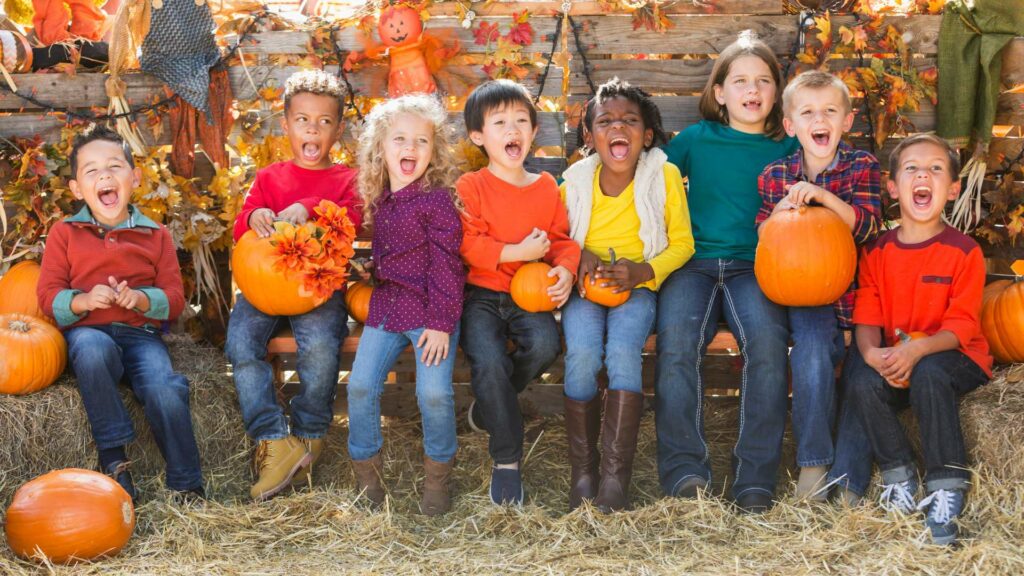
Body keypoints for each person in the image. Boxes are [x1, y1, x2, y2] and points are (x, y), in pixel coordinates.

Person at [657, 31, 799, 513]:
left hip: (754, 267)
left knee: (767, 346)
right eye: (739, 81)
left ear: (777, 93)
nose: (752, 90)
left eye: (763, 80)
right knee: (676, 346)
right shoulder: (696, 138)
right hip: (692, 264)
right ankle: (685, 470)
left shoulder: (787, 146)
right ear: (719, 92)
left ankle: (755, 476)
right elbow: (652, 186)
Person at [36, 126, 204, 503]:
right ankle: (115, 461)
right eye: (91, 171)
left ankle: (187, 482)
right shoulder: (64, 233)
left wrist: (142, 300)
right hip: (89, 334)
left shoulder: (155, 234)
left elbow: (175, 298)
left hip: (141, 337)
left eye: (114, 167)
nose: (105, 177)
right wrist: (81, 301)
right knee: (92, 351)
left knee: (165, 388)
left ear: (135, 177)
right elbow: (47, 296)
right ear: (78, 188)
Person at [842, 134, 991, 546]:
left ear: (953, 189)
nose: (923, 174)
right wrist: (873, 356)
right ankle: (899, 474)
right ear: (893, 187)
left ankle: (947, 484)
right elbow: (868, 319)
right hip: (902, 357)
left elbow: (961, 326)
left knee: (928, 373)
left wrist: (917, 349)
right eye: (911, 168)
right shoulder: (876, 252)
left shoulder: (963, 251)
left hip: (955, 357)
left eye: (936, 169)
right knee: (861, 381)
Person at [225, 69, 362, 502]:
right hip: (264, 287)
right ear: (286, 125)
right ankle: (272, 438)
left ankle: (309, 432)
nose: (312, 129)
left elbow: (353, 219)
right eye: (302, 119)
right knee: (241, 344)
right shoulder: (268, 177)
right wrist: (254, 218)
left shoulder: (344, 180)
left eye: (324, 121)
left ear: (337, 129)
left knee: (321, 347)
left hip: (317, 289)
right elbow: (238, 228)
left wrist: (309, 207)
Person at [559, 78, 694, 512]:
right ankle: (584, 471)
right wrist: (577, 256)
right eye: (606, 121)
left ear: (647, 134)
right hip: (586, 289)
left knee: (621, 354)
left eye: (630, 121)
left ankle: (616, 478)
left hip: (637, 289)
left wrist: (642, 271)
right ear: (590, 135)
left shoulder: (663, 175)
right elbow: (558, 236)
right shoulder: (575, 181)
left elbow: (683, 244)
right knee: (581, 356)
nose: (618, 128)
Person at [755, 70, 882, 500]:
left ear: (846, 121)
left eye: (830, 110)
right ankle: (813, 463)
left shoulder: (861, 166)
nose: (819, 119)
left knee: (863, 379)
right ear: (791, 125)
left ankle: (849, 478)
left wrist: (822, 197)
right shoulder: (776, 175)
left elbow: (866, 227)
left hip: (857, 297)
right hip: (806, 297)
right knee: (809, 353)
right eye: (807, 112)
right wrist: (781, 215)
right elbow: (766, 241)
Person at [457, 79, 581, 505]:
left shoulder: (546, 186)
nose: (513, 130)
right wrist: (516, 251)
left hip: (530, 297)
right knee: (488, 360)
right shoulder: (471, 186)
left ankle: (493, 404)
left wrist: (564, 270)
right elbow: (468, 244)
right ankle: (507, 461)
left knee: (547, 344)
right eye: (500, 122)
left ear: (532, 132)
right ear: (478, 136)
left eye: (521, 121)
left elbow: (561, 240)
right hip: (482, 295)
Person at [346, 94, 464, 516]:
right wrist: (369, 269)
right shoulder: (380, 198)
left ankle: (437, 478)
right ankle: (367, 476)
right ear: (381, 147)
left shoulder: (437, 201)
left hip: (433, 310)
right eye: (399, 139)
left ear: (434, 152)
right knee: (359, 385)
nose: (410, 148)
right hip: (388, 307)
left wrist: (441, 323)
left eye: (421, 141)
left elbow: (448, 266)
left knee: (432, 392)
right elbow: (392, 258)